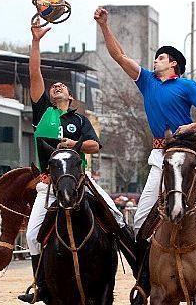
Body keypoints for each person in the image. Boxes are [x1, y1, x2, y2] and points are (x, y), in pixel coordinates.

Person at [94, 6, 196, 302]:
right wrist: (105, 26)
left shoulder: (187, 85)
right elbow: (119, 56)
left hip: (191, 155)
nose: (154, 61)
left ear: (172, 63)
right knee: (142, 217)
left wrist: (191, 126)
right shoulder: (146, 81)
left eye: (159, 58)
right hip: (160, 157)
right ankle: (144, 278)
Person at [17, 25, 135, 303]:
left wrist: (75, 145)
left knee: (116, 218)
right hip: (49, 183)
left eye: (62, 87)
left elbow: (95, 146)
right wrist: (35, 42)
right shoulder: (42, 111)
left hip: (80, 180)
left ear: (70, 97)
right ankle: (40, 286)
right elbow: (35, 74)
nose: (57, 87)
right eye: (54, 86)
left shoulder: (79, 120)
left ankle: (140, 270)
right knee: (34, 236)